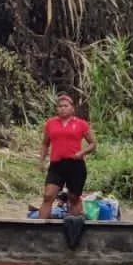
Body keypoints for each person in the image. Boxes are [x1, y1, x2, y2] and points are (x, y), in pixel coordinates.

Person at [39, 93, 96, 222]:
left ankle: (74, 228)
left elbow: (93, 144)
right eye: (59, 106)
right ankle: (39, 228)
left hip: (75, 165)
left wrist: (82, 153)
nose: (62, 108)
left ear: (72, 108)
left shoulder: (81, 124)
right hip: (57, 165)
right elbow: (45, 143)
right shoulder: (50, 123)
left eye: (66, 106)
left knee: (73, 197)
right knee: (48, 195)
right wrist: (41, 161)